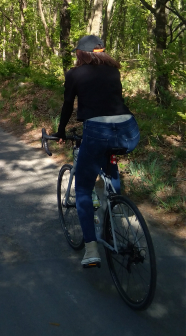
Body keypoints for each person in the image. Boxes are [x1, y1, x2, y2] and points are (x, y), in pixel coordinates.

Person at [54, 35, 140, 267]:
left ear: (81, 53)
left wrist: (61, 131)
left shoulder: (74, 74)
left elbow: (67, 105)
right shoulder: (114, 71)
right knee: (108, 156)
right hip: (129, 130)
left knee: (82, 188)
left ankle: (91, 249)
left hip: (97, 129)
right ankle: (115, 206)